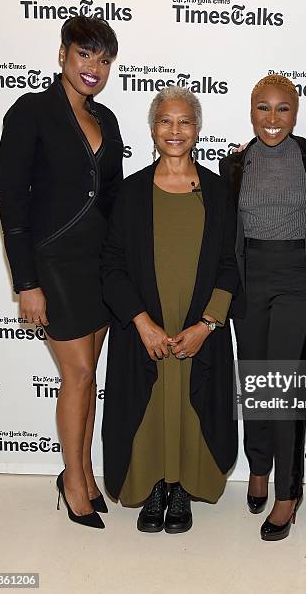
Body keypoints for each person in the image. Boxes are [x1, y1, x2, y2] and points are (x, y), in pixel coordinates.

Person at [0, 16, 123, 529]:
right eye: (85, 54)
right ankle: (72, 482)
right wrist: (26, 283)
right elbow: (11, 202)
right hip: (53, 265)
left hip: (97, 265)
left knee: (89, 378)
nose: (94, 67)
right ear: (63, 55)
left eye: (104, 59)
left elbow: (113, 198)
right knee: (77, 374)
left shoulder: (108, 120)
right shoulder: (31, 111)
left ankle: (84, 472)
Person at [101, 86, 238, 534]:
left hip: (199, 330)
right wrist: (142, 324)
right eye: (165, 121)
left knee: (190, 404)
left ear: (197, 129)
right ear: (153, 128)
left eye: (184, 121)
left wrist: (207, 325)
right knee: (152, 403)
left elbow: (231, 265)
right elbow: (113, 264)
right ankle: (154, 484)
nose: (174, 130)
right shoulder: (131, 191)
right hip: (145, 330)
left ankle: (181, 488)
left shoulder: (218, 191)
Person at [219, 75, 306, 541]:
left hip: (296, 282)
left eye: (282, 109)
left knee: (284, 386)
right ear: (250, 112)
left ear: (296, 112)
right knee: (256, 382)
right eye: (263, 108)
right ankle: (258, 467)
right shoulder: (234, 166)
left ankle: (287, 493)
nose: (272, 119)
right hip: (249, 282)